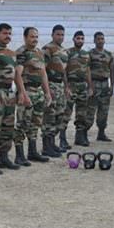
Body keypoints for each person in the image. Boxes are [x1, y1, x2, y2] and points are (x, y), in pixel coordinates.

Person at [0, 23, 27, 171]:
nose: (7, 36)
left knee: (8, 126)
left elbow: (16, 75)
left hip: (9, 93)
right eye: (4, 33)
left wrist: (21, 92)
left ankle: (3, 157)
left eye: (9, 33)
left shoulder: (11, 53)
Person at [14, 27, 52, 163]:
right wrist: (23, 94)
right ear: (25, 38)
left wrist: (47, 92)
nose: (35, 39)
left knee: (36, 123)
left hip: (38, 92)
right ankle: (19, 155)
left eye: (36, 37)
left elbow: (43, 73)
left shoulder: (39, 52)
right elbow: (17, 74)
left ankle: (32, 152)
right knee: (23, 123)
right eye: (32, 37)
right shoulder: (21, 52)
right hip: (27, 91)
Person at [42, 25, 69, 153]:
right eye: (58, 34)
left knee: (59, 116)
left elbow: (64, 71)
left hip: (60, 86)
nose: (60, 37)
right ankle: (46, 146)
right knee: (49, 117)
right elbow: (43, 70)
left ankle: (52, 144)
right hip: (51, 85)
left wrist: (66, 87)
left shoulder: (64, 51)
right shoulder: (48, 49)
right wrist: (47, 90)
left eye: (62, 35)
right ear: (52, 35)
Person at [64, 30, 93, 146]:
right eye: (78, 38)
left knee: (82, 113)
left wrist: (90, 86)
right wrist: (66, 87)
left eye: (82, 38)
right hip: (71, 85)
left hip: (82, 86)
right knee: (66, 112)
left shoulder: (86, 54)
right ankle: (62, 138)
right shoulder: (68, 53)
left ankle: (80, 137)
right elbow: (64, 70)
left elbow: (87, 71)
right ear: (73, 39)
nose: (80, 40)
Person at [87, 31, 114, 142]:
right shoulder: (89, 54)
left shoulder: (109, 54)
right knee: (90, 109)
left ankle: (101, 133)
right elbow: (87, 70)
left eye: (102, 39)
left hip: (105, 84)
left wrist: (112, 85)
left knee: (104, 110)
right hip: (94, 83)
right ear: (94, 40)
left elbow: (112, 71)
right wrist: (89, 86)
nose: (100, 41)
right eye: (98, 39)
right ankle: (83, 133)